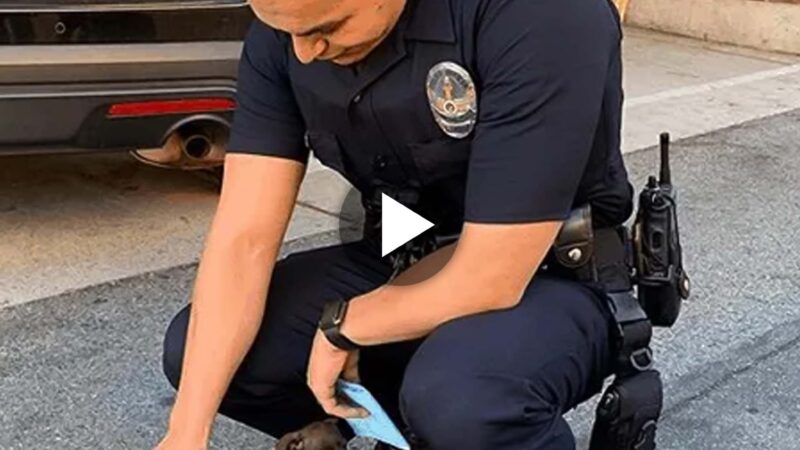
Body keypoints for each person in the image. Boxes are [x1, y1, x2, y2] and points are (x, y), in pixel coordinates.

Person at [156, 0, 634, 448]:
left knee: (463, 401)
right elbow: (243, 240)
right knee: (205, 355)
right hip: (405, 252)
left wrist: (347, 325)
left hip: (551, 271)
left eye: (327, 28)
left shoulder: (539, 14)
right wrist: (186, 432)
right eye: (286, 30)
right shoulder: (292, 29)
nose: (303, 52)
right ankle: (397, 426)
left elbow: (494, 275)